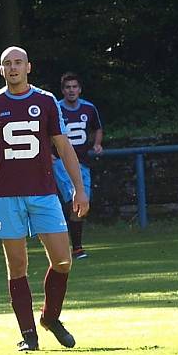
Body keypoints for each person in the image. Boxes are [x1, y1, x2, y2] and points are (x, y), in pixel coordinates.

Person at [0, 46, 89, 351]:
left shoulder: (45, 101)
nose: (13, 67)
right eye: (7, 63)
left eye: (18, 62)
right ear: (1, 70)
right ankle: (29, 335)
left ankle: (50, 317)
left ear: (29, 67)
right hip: (6, 196)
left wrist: (78, 188)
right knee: (17, 267)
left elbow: (63, 146)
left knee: (63, 260)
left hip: (44, 194)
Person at [54, 72, 104, 259]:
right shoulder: (56, 108)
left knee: (83, 204)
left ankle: (75, 247)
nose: (71, 90)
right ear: (63, 90)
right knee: (72, 201)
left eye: (74, 87)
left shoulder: (89, 109)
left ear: (80, 89)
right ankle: (72, 247)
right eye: (68, 87)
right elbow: (44, 131)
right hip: (60, 162)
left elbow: (97, 127)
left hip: (82, 162)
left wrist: (97, 144)